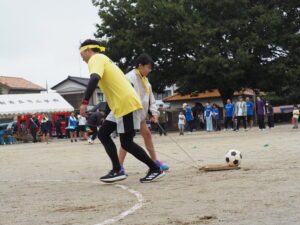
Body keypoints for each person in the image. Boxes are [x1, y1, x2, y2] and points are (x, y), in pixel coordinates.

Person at [78, 39, 165, 183]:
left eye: (82, 54)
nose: (82, 58)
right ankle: (117, 169)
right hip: (119, 105)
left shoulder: (96, 58)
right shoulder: (105, 59)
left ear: (88, 51)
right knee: (103, 133)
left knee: (126, 143)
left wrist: (84, 102)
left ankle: (155, 168)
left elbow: (94, 78)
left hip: (125, 104)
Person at [119, 53, 169, 173]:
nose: (149, 70)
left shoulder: (146, 81)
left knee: (147, 135)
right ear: (140, 66)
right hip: (129, 114)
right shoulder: (129, 78)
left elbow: (150, 99)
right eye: (148, 67)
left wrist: (154, 114)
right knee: (127, 140)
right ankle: (119, 166)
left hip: (140, 115)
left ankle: (155, 161)